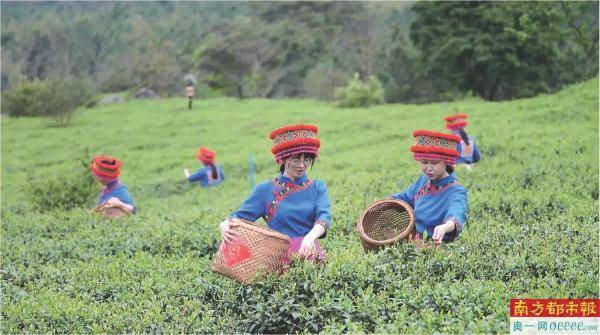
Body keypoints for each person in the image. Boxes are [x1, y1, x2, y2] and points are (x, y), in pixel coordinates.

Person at [219, 124, 331, 263]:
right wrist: (224, 224)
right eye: (296, 160)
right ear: (282, 159)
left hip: (310, 255)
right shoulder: (265, 189)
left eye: (307, 160)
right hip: (277, 259)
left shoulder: (318, 187)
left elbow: (324, 217)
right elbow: (239, 217)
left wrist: (310, 238)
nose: (302, 165)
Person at [391, 130, 468, 244]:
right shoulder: (423, 180)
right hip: (413, 240)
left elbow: (456, 213)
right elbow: (404, 198)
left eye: (435, 162)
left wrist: (444, 228)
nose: (428, 168)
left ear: (446, 162)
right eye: (424, 162)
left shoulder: (456, 191)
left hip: (436, 244)